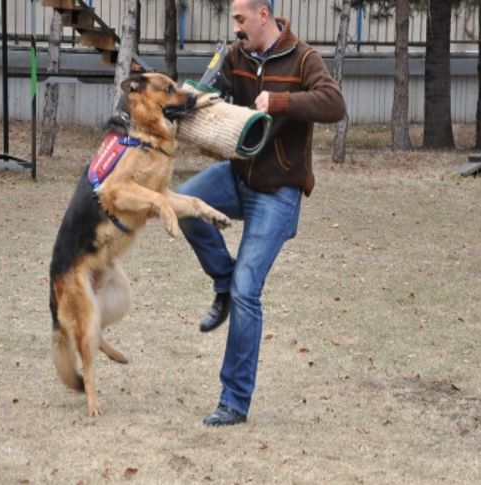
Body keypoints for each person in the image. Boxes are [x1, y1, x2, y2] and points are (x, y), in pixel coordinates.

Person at [177, 0, 347, 426]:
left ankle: (234, 402)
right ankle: (223, 281)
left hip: (279, 191)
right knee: (185, 205)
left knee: (248, 290)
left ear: (263, 16)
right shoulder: (235, 54)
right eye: (234, 20)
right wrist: (190, 97)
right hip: (237, 176)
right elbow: (213, 93)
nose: (235, 28)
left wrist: (283, 103)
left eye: (240, 19)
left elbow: (334, 104)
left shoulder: (303, 57)